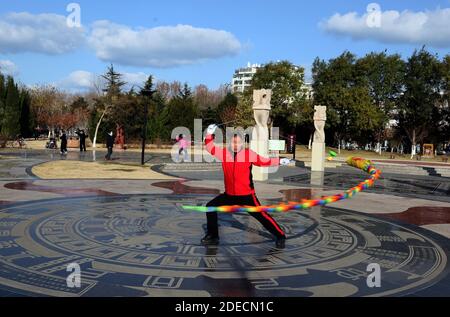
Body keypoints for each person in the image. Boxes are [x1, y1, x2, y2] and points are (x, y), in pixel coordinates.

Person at [201, 124, 291, 249]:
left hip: (246, 195)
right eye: (233, 142)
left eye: (238, 142)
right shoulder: (224, 153)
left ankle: (280, 235)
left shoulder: (249, 154)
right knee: (210, 207)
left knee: (262, 216)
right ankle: (213, 236)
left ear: (242, 143)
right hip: (229, 195)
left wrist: (279, 161)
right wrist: (209, 134)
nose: (235, 145)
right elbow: (210, 147)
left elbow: (264, 161)